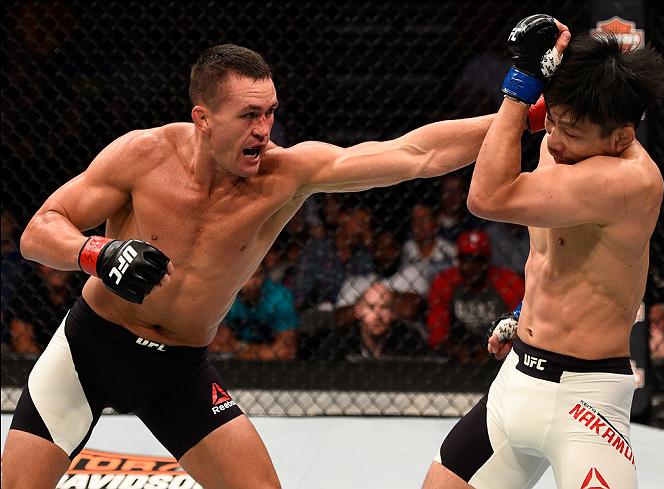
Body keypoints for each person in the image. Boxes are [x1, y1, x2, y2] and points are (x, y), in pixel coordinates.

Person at [3, 43, 511, 488]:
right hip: (89, 348)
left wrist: (522, 118)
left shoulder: (284, 176)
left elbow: (414, 154)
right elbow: (39, 230)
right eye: (249, 115)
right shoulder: (143, 155)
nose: (264, 130)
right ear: (203, 118)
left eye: (269, 113)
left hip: (177, 370)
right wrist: (96, 253)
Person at [423, 15, 664, 489]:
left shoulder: (628, 180)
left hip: (587, 404)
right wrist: (525, 310)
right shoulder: (566, 143)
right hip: (517, 380)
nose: (553, 142)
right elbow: (559, 256)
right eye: (551, 122)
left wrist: (519, 86)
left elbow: (486, 197)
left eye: (570, 131)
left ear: (621, 136)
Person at [427, 230, 524, 363]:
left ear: (487, 260)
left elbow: (520, 325)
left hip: (499, 351)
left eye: (478, 260)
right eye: (465, 259)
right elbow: (437, 331)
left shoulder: (508, 281)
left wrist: (494, 349)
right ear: (458, 260)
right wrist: (453, 349)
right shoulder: (445, 281)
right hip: (456, 352)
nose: (471, 266)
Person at [210, 263, 299, 361]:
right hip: (241, 363)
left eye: (257, 275)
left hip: (271, 367)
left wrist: (237, 347)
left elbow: (286, 351)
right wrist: (264, 351)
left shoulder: (278, 295)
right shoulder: (225, 295)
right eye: (248, 276)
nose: (254, 282)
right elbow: (217, 346)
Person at [342, 283, 428, 361]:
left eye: (384, 307)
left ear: (394, 312)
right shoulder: (342, 341)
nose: (377, 315)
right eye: (371, 307)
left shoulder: (409, 339)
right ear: (358, 311)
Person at [6, 263, 81, 354]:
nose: (55, 268)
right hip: (37, 362)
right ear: (38, 265)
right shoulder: (27, 290)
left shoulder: (85, 290)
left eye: (59, 260)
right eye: (49, 261)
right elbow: (21, 340)